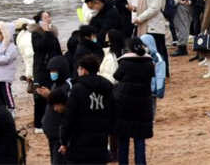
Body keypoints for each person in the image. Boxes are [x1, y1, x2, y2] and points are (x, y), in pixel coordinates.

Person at [59, 54, 113, 165]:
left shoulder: (77, 89)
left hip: (79, 143)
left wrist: (64, 141)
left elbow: (69, 117)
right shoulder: (107, 86)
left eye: (79, 68)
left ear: (84, 70)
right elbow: (113, 111)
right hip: (101, 140)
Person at [113, 37, 154, 165]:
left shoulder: (124, 63)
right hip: (143, 104)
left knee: (123, 140)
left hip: (124, 104)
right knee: (139, 139)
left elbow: (116, 76)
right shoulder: (149, 63)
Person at [30, 10, 62, 132]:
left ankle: (51, 121)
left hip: (53, 67)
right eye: (45, 17)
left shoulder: (52, 32)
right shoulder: (36, 33)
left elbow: (57, 49)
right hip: (41, 68)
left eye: (49, 16)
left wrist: (62, 63)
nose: (48, 18)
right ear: (39, 20)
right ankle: (38, 125)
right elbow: (39, 47)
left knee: (53, 93)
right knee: (40, 95)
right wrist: (47, 33)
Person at [39, 54, 72, 164]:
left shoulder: (68, 87)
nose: (52, 73)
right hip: (52, 133)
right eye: (50, 71)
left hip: (59, 134)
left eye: (54, 71)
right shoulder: (55, 85)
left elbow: (66, 108)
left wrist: (50, 95)